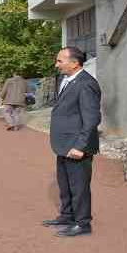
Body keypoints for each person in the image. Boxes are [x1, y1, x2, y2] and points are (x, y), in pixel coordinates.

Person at [43, 47, 101, 237]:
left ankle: (83, 223)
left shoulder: (86, 83)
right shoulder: (67, 80)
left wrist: (80, 146)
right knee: (65, 183)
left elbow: (92, 118)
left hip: (77, 145)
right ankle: (67, 215)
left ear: (75, 63)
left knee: (79, 186)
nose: (56, 65)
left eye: (60, 61)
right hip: (64, 144)